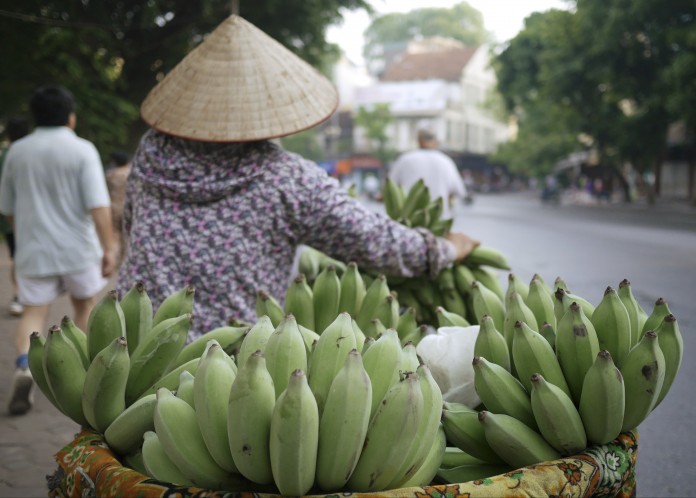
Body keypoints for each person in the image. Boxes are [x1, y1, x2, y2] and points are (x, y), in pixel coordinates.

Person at [116, 14, 480, 339]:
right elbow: (371, 241)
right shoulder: (287, 179)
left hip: (134, 346)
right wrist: (444, 248)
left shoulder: (149, 159)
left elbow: (131, 227)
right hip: (229, 362)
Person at [0, 85, 118, 415]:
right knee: (84, 307)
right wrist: (109, 248)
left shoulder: (17, 152)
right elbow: (98, 205)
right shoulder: (82, 150)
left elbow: (8, 209)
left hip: (34, 248)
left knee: (33, 313)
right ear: (71, 117)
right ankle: (79, 376)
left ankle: (25, 368)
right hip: (78, 249)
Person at [389, 129, 468, 218]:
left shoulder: (404, 159)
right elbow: (459, 191)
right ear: (436, 141)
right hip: (438, 221)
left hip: (408, 221)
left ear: (418, 141)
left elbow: (389, 188)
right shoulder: (446, 161)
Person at [0, 117, 31, 316]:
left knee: (16, 257)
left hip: (9, 217)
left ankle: (20, 295)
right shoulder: (31, 153)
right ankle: (27, 296)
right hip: (32, 217)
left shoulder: (5, 155)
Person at [105, 149, 132, 263]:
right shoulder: (131, 173)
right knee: (127, 234)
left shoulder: (111, 174)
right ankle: (125, 259)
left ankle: (113, 258)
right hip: (128, 206)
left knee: (115, 234)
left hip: (114, 206)